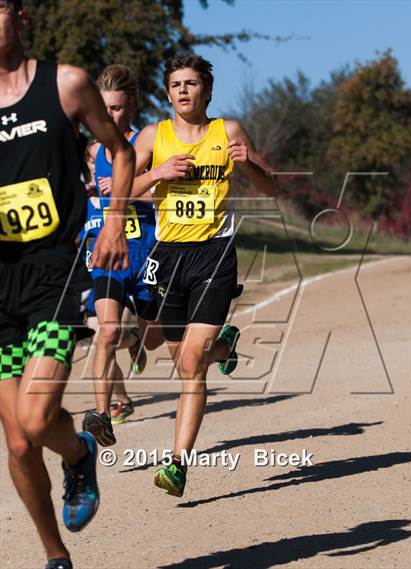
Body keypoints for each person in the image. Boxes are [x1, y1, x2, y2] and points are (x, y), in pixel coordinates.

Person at [0, 2, 135, 568]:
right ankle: (56, 557)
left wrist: (111, 222)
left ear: (21, 16)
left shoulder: (67, 83)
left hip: (55, 269)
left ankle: (78, 452)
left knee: (34, 419)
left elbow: (121, 151)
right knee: (18, 443)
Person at [131, 54, 275, 497]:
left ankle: (177, 464)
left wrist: (248, 162)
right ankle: (225, 345)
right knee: (185, 364)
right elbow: (119, 192)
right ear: (168, 91)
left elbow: (270, 188)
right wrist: (157, 172)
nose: (183, 91)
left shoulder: (227, 131)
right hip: (169, 255)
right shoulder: (155, 136)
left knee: (191, 365)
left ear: (207, 91)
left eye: (191, 84)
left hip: (214, 253)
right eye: (176, 84)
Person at [81, 65, 163, 445]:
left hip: (145, 251)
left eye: (117, 108)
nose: (110, 116)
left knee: (151, 340)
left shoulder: (145, 144)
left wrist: (125, 189)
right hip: (108, 253)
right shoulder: (95, 149)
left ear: (130, 107)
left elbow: (159, 195)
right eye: (104, 108)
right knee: (106, 330)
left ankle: (136, 342)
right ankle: (102, 413)